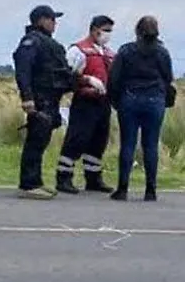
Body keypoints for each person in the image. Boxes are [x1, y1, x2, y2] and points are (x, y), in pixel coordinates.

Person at [108, 15, 174, 202]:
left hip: (130, 98)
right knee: (151, 145)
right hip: (155, 99)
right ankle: (150, 190)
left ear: (137, 31)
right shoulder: (162, 53)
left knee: (127, 144)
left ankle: (122, 189)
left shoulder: (127, 51)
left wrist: (115, 99)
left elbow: (114, 77)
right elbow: (168, 78)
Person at [12, 4, 75, 200]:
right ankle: (29, 184)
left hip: (50, 98)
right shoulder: (31, 42)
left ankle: (36, 181)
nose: (55, 24)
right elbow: (23, 70)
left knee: (41, 140)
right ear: (41, 20)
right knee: (36, 140)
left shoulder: (47, 43)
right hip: (39, 99)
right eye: (52, 19)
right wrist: (27, 98)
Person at [55, 15, 116, 194]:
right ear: (94, 29)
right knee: (77, 139)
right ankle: (64, 177)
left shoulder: (109, 53)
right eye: (105, 30)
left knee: (98, 141)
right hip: (85, 102)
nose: (107, 34)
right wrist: (87, 80)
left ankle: (93, 178)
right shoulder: (78, 50)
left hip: (104, 103)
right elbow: (66, 76)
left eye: (110, 31)